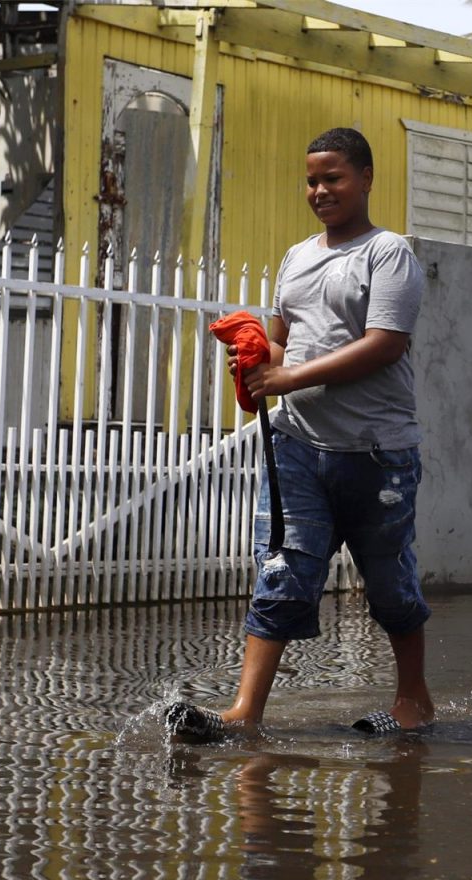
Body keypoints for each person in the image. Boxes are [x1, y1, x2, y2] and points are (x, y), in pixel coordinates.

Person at [168, 127, 432, 741]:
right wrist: (259, 360)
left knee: (390, 581)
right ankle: (243, 713)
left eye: (333, 177)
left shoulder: (388, 254)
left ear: (366, 178)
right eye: (312, 179)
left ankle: (414, 702)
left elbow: (385, 344)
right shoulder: (296, 256)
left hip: (376, 451)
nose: (320, 190)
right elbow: (287, 338)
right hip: (294, 446)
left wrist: (285, 376)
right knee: (282, 573)